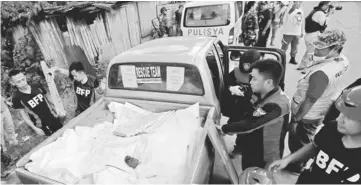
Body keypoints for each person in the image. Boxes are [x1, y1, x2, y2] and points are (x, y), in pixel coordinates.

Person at [269, 86, 361, 184]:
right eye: (341, 113)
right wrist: (288, 160)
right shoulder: (332, 128)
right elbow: (315, 146)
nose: (339, 119)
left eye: (348, 116)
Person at [288, 30, 349, 172]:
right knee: (307, 137)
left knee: (300, 140)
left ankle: (296, 166)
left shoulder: (321, 73)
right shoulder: (343, 61)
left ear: (335, 49)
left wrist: (296, 120)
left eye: (321, 49)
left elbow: (310, 99)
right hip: (322, 108)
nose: (316, 50)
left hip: (307, 114)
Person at [222, 59, 290, 169]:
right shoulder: (260, 91)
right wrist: (232, 88)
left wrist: (224, 128)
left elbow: (251, 124)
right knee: (246, 170)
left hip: (265, 154)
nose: (250, 82)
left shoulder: (278, 105)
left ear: (268, 82)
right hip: (251, 143)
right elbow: (248, 103)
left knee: (256, 178)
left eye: (254, 79)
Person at [222, 50, 262, 158]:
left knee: (246, 131)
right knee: (232, 125)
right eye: (245, 64)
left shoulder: (261, 75)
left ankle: (240, 148)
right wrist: (231, 88)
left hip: (252, 106)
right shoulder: (235, 72)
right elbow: (225, 84)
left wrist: (252, 95)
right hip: (237, 106)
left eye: (249, 65)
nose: (246, 67)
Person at [9, 69, 63, 136]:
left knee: (63, 134)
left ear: (25, 77)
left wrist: (58, 108)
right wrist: (35, 128)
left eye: (23, 79)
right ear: (13, 83)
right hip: (40, 123)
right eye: (18, 82)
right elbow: (24, 116)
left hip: (52, 116)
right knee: (53, 140)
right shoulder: (16, 98)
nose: (22, 83)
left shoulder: (37, 86)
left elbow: (49, 98)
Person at [297, 1, 336, 71]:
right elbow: (323, 24)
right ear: (324, 5)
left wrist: (328, 14)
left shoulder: (315, 11)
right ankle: (307, 69)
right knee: (311, 53)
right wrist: (330, 14)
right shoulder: (320, 13)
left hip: (309, 35)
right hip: (313, 36)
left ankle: (302, 65)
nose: (328, 8)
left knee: (309, 51)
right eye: (328, 6)